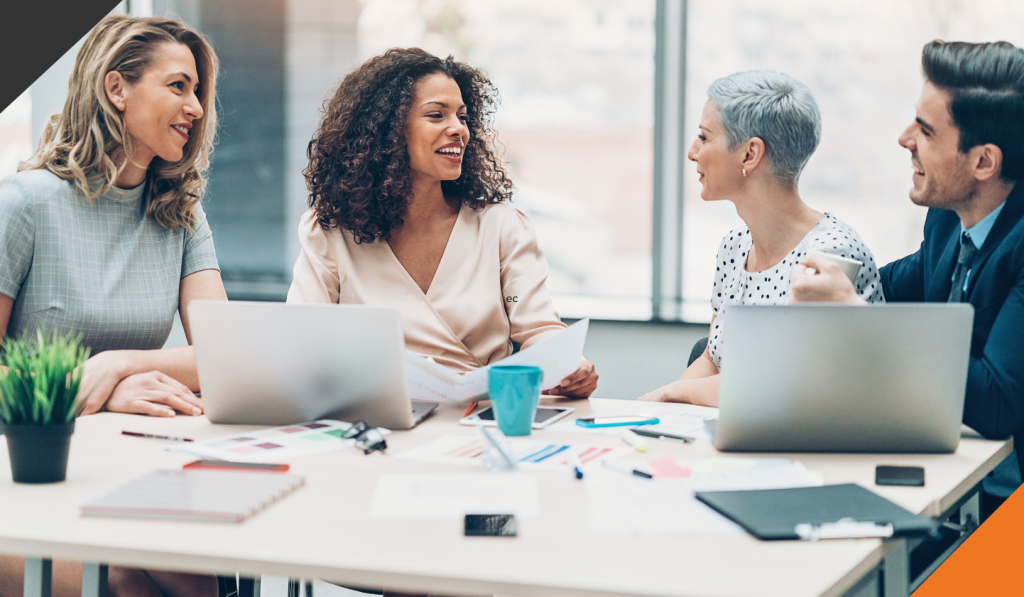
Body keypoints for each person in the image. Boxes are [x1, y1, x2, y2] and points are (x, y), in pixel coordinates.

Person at [0, 15, 227, 597]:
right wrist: (94, 389)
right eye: (179, 85)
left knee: (200, 570)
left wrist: (119, 366)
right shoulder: (25, 204)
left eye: (198, 90)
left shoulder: (181, 214)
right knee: (126, 581)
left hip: (128, 470)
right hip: (27, 479)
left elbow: (225, 355)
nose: (197, 107)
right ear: (116, 88)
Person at [790, 40, 1024, 518]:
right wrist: (822, 274)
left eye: (926, 131)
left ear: (984, 162)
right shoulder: (946, 222)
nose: (903, 140)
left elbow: (998, 403)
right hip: (962, 487)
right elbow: (890, 285)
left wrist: (854, 314)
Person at [287, 48, 598, 399]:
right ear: (386, 130)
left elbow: (540, 328)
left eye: (463, 118)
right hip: (376, 419)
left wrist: (569, 363)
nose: (458, 130)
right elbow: (302, 341)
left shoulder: (501, 227)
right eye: (436, 115)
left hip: (477, 420)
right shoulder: (329, 230)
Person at [638, 70, 884, 406]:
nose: (693, 152)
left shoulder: (831, 255)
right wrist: (654, 411)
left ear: (750, 154)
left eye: (705, 137)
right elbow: (713, 357)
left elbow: (777, 384)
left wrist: (672, 392)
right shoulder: (734, 246)